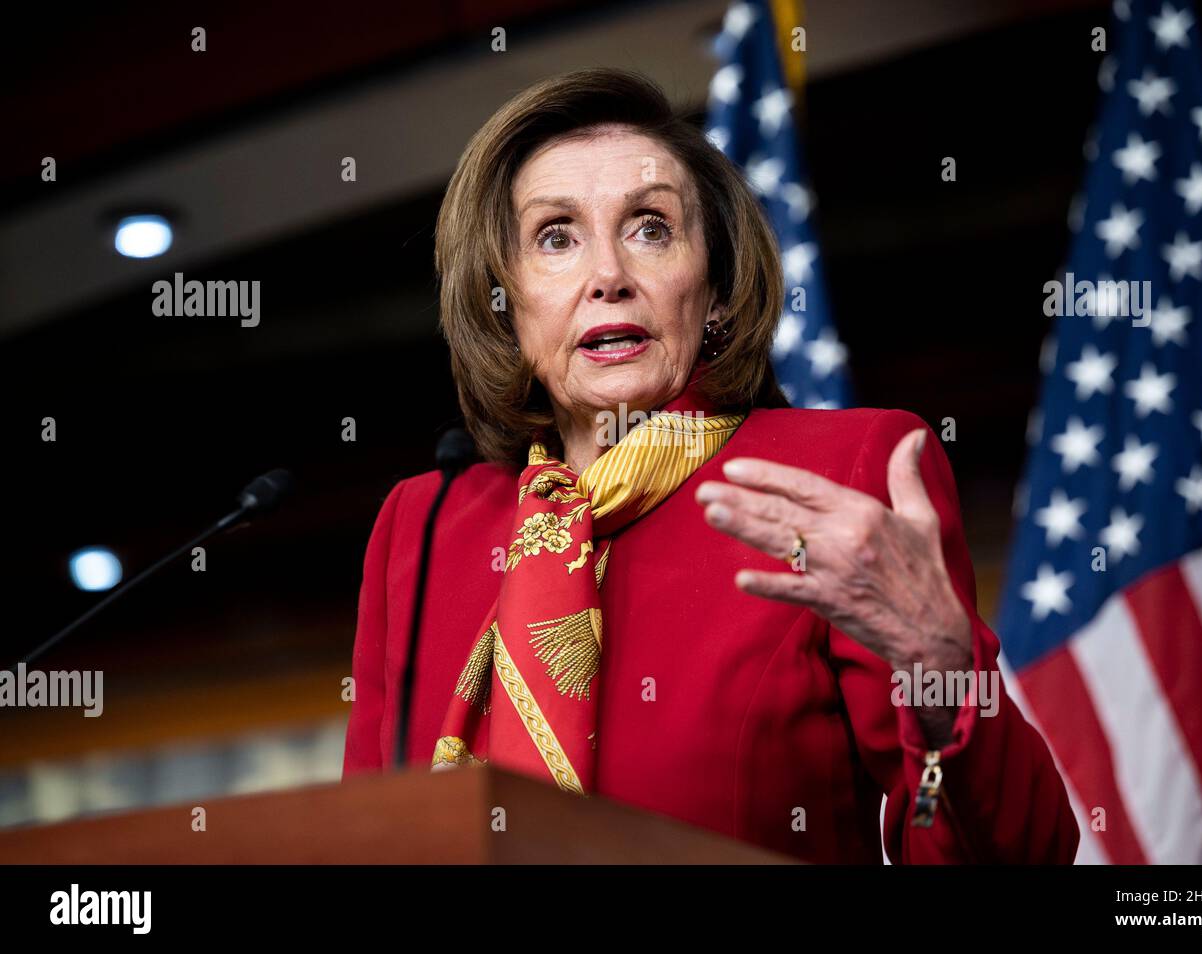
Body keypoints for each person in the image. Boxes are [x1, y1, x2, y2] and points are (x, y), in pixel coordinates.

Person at [343, 68, 1079, 864]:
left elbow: (1013, 856)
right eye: (556, 236)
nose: (608, 277)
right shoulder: (424, 525)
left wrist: (947, 677)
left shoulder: (842, 471)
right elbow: (363, 838)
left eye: (651, 228)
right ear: (504, 304)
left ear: (718, 291)